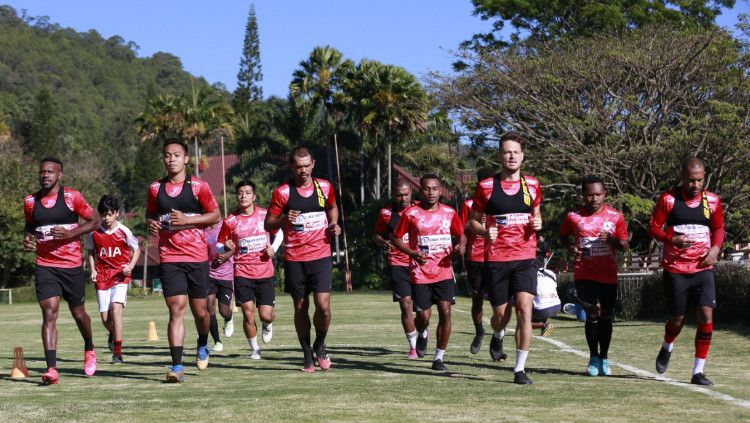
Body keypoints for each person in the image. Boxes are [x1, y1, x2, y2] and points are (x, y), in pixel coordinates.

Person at [468, 132, 542, 385]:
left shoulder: (532, 185)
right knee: (502, 316)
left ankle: (519, 369)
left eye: (516, 152)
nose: (511, 156)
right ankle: (497, 334)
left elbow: (537, 215)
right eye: (507, 152)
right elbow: (473, 221)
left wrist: (538, 223)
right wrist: (484, 231)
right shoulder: (486, 187)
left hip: (525, 256)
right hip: (497, 259)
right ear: (500, 156)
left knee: (524, 309)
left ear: (522, 156)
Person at [146, 139, 220, 383]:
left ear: (186, 159)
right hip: (169, 257)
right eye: (167, 155)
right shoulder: (155, 189)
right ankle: (177, 366)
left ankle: (202, 341)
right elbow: (150, 214)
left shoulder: (199, 186)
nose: (172, 159)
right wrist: (152, 223)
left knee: (201, 313)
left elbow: (215, 215)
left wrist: (187, 221)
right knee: (175, 308)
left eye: (177, 155)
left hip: (197, 256)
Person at [23, 157, 100, 384]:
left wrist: (70, 234)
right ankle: (52, 369)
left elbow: (94, 221)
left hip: (71, 265)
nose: (45, 175)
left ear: (60, 175)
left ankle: (89, 347)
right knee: (49, 312)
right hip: (45, 265)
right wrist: (27, 238)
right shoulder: (30, 201)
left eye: (50, 172)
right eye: (42, 172)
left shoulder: (71, 197)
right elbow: (30, 224)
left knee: (79, 314)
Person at [264, 146, 341, 372]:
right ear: (291, 167)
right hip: (295, 257)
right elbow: (268, 224)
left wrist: (333, 224)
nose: (303, 171)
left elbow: (332, 207)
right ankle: (306, 352)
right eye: (298, 167)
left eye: (307, 166)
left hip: (321, 254)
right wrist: (284, 219)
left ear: (313, 164)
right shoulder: (283, 193)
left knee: (323, 307)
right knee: (300, 306)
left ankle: (320, 344)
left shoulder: (324, 187)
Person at [648, 157, 724, 386]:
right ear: (683, 177)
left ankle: (698, 372)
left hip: (703, 268)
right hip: (676, 269)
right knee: (677, 319)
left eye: (700, 180)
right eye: (691, 180)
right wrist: (671, 238)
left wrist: (715, 249)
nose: (695, 185)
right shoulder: (668, 199)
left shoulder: (712, 201)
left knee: (706, 315)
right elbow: (653, 227)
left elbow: (719, 228)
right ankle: (667, 345)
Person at [392, 174, 466, 371]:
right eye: (426, 189)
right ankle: (423, 333)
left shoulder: (450, 213)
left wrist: (461, 246)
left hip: (443, 271)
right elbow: (396, 239)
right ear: (420, 190)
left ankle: (439, 358)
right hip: (420, 272)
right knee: (424, 317)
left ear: (440, 190)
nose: (431, 192)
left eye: (435, 189)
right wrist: (412, 253)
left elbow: (461, 234)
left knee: (446, 312)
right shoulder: (411, 214)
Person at [559, 175, 628, 376]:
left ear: (604, 194)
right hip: (584, 272)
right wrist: (570, 248)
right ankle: (592, 357)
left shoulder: (616, 217)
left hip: (607, 274)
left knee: (606, 316)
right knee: (592, 311)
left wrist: (613, 241)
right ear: (583, 195)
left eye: (598, 194)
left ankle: (604, 358)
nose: (594, 199)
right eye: (589, 195)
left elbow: (624, 246)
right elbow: (562, 235)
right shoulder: (573, 216)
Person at [219, 180, 283, 359]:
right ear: (236, 197)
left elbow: (279, 233)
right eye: (240, 193)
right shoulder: (230, 221)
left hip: (265, 272)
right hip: (242, 273)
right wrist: (224, 246)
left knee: (265, 315)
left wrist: (274, 248)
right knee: (248, 312)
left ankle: (267, 323)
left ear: (254, 197)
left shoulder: (264, 215)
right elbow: (218, 245)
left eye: (247, 193)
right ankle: (255, 349)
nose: (243, 196)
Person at [85, 194, 141, 364]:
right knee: (105, 319)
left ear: (117, 213)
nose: (106, 218)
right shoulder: (94, 233)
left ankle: (117, 352)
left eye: (110, 214)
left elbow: (136, 249)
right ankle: (112, 333)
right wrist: (93, 270)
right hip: (102, 277)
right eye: (103, 214)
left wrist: (130, 266)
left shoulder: (124, 231)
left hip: (120, 277)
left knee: (116, 311)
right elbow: (90, 252)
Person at [373, 179, 420, 359]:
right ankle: (413, 347)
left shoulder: (420, 209)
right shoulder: (386, 213)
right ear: (393, 195)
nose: (403, 198)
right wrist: (383, 242)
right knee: (406, 305)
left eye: (406, 194)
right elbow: (376, 234)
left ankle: (422, 331)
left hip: (419, 263)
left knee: (423, 312)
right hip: (397, 263)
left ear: (411, 193)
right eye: (399, 195)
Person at [459, 167, 494, 355]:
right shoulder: (469, 204)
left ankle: (499, 337)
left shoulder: (501, 203)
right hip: (476, 258)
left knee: (500, 301)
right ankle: (479, 331)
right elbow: (463, 229)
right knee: (477, 300)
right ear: (479, 183)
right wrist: (462, 244)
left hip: (498, 257)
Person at [204, 221, 235, 352]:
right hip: (209, 274)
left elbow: (236, 246)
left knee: (224, 310)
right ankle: (217, 341)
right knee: (209, 306)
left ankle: (229, 318)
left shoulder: (226, 226)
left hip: (226, 275)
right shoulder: (202, 229)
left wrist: (226, 255)